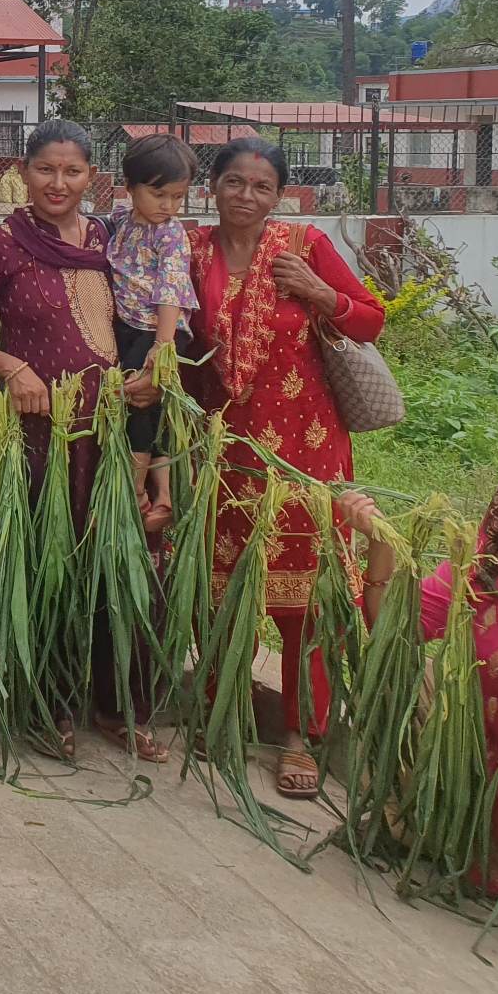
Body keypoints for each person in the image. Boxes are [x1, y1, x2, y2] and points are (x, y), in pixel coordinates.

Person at [0, 118, 166, 762]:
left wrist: (147, 374)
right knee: (50, 569)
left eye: (72, 172)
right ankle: (49, 707)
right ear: (24, 170)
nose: (58, 183)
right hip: (46, 438)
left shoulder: (114, 239)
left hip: (120, 436)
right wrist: (14, 369)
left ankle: (121, 705)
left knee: (123, 570)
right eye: (46, 170)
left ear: (92, 177)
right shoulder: (2, 245)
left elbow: (151, 311)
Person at [190, 136, 386, 800]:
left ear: (280, 195)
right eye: (234, 182)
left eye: (261, 186)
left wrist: (318, 293)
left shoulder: (305, 247)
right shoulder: (191, 253)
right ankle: (226, 710)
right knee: (223, 591)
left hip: (307, 453)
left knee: (306, 598)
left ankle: (301, 735)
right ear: (212, 185)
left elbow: (371, 322)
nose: (246, 195)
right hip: (226, 452)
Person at [348, 451, 498, 901]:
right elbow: (399, 633)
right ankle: (425, 823)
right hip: (479, 765)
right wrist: (381, 543)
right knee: (405, 680)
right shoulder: (490, 569)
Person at [107, 133, 200, 533]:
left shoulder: (171, 235)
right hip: (129, 326)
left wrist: (161, 348)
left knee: (138, 405)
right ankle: (162, 496)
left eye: (177, 197)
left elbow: (171, 290)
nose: (168, 206)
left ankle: (136, 488)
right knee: (152, 409)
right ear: (129, 186)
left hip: (158, 330)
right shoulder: (119, 222)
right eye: (159, 193)